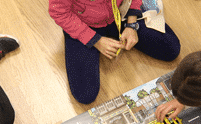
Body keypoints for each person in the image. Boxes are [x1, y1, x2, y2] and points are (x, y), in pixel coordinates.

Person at [49, 0, 181, 104]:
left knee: (171, 49)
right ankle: (77, 32)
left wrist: (131, 25)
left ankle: (142, 8)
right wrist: (94, 39)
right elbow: (59, 12)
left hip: (120, 13)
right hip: (83, 23)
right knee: (85, 94)